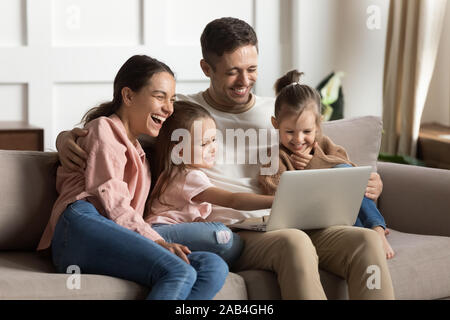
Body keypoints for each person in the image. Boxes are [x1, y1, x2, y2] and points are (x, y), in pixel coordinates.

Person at [55, 18, 395, 299]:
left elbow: (325, 155)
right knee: (294, 242)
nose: (244, 81)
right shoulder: (182, 112)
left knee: (364, 241)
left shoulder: (277, 113)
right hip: (235, 230)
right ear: (207, 67)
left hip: (289, 218)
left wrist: (364, 181)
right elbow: (122, 127)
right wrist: (67, 138)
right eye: (233, 71)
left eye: (251, 69)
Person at [37, 55, 229, 300]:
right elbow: (113, 201)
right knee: (179, 270)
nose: (169, 109)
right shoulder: (104, 128)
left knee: (212, 266)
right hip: (79, 226)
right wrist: (157, 242)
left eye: (171, 99)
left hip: (116, 232)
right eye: (160, 97)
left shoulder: (142, 147)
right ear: (128, 96)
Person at [258, 69, 395, 259]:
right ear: (275, 123)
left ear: (318, 125)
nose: (298, 139)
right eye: (289, 131)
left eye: (307, 131)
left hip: (337, 211)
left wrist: (315, 163)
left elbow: (349, 170)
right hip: (307, 218)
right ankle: (365, 234)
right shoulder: (272, 155)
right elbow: (276, 195)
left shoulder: (322, 143)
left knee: (343, 171)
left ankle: (377, 229)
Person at [145, 101, 273, 266]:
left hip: (163, 232)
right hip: (160, 232)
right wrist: (275, 200)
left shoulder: (174, 173)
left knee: (222, 252)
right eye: (204, 144)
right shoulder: (189, 176)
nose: (213, 148)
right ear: (180, 150)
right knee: (225, 236)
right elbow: (233, 200)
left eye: (213, 139)